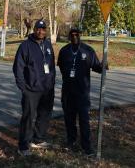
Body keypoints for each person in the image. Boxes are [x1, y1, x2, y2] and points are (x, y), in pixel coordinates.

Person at [57, 28, 104, 156]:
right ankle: (71, 141)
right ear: (69, 36)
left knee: (84, 120)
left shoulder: (88, 50)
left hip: (82, 92)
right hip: (67, 92)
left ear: (80, 35)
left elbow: (96, 67)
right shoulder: (64, 51)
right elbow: (61, 66)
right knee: (69, 119)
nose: (74, 36)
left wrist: (103, 66)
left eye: (76, 34)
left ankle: (86, 146)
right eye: (71, 35)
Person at [13, 20, 56, 156]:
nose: (41, 31)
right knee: (28, 118)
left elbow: (52, 65)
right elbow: (17, 68)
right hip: (31, 90)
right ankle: (23, 146)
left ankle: (38, 139)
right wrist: (23, 88)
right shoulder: (25, 46)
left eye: (43, 29)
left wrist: (52, 82)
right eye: (38, 28)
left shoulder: (48, 44)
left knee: (44, 115)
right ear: (34, 29)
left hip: (47, 89)